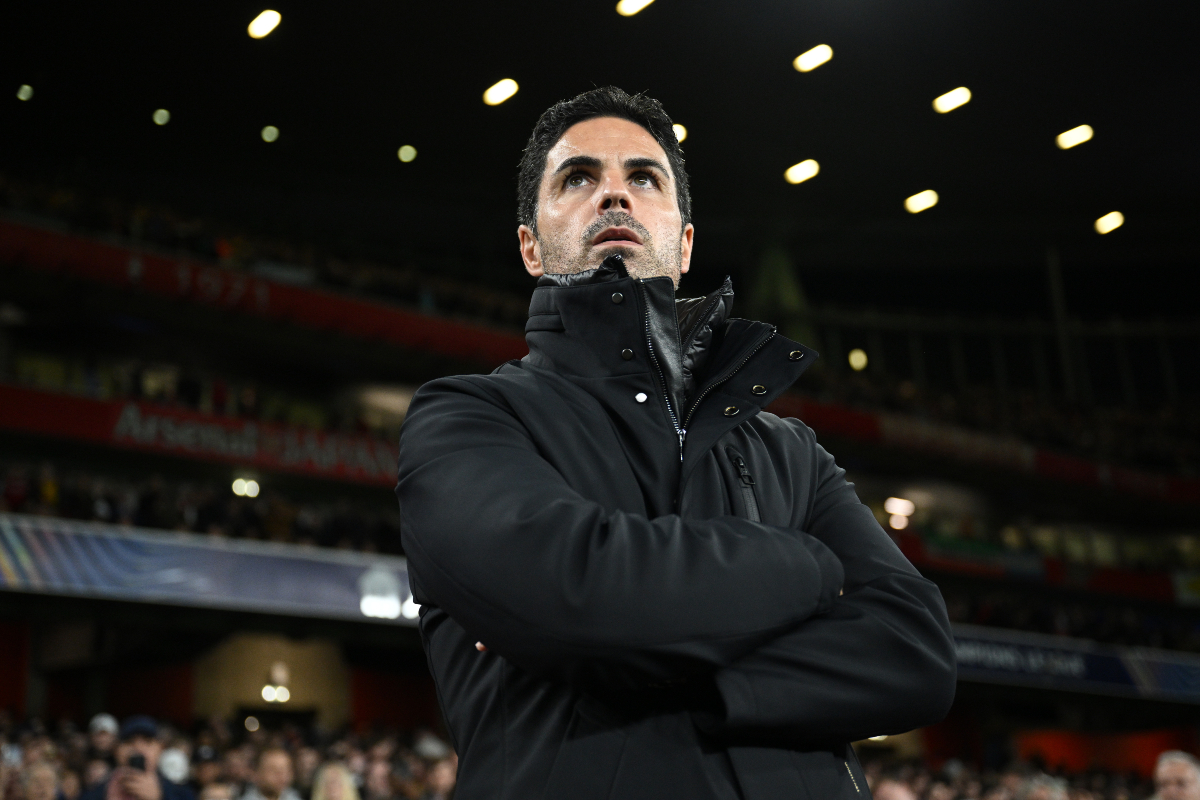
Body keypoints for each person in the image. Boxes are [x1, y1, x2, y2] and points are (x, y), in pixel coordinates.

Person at [396, 85, 957, 799]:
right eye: (578, 178)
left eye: (643, 177)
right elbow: (578, 598)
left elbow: (916, 654)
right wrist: (812, 571)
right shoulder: (466, 417)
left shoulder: (792, 452)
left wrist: (675, 674)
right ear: (530, 247)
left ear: (685, 242)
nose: (614, 196)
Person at [79, 717, 195, 800]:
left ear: (160, 749)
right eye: (129, 742)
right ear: (116, 750)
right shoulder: (94, 793)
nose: (138, 748)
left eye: (147, 741)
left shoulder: (182, 793)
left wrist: (161, 797)